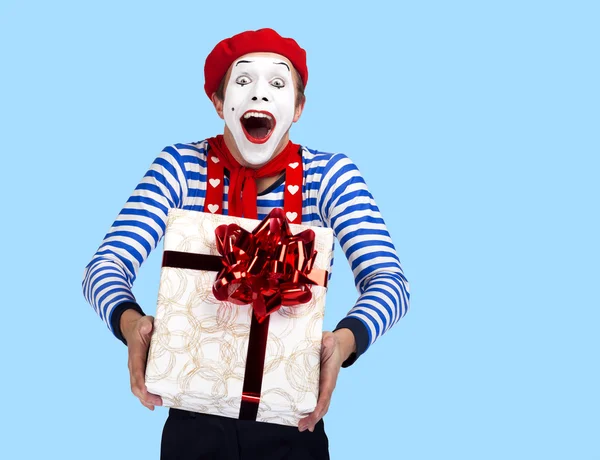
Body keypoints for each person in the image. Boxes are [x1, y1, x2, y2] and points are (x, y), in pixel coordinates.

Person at [82, 28, 410, 460]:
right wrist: (131, 325)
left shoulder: (330, 176)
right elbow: (104, 267)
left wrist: (345, 341)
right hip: (191, 421)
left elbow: (390, 282)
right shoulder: (180, 167)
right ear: (219, 103)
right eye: (242, 82)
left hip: (292, 419)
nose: (259, 96)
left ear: (298, 107)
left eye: (277, 84)